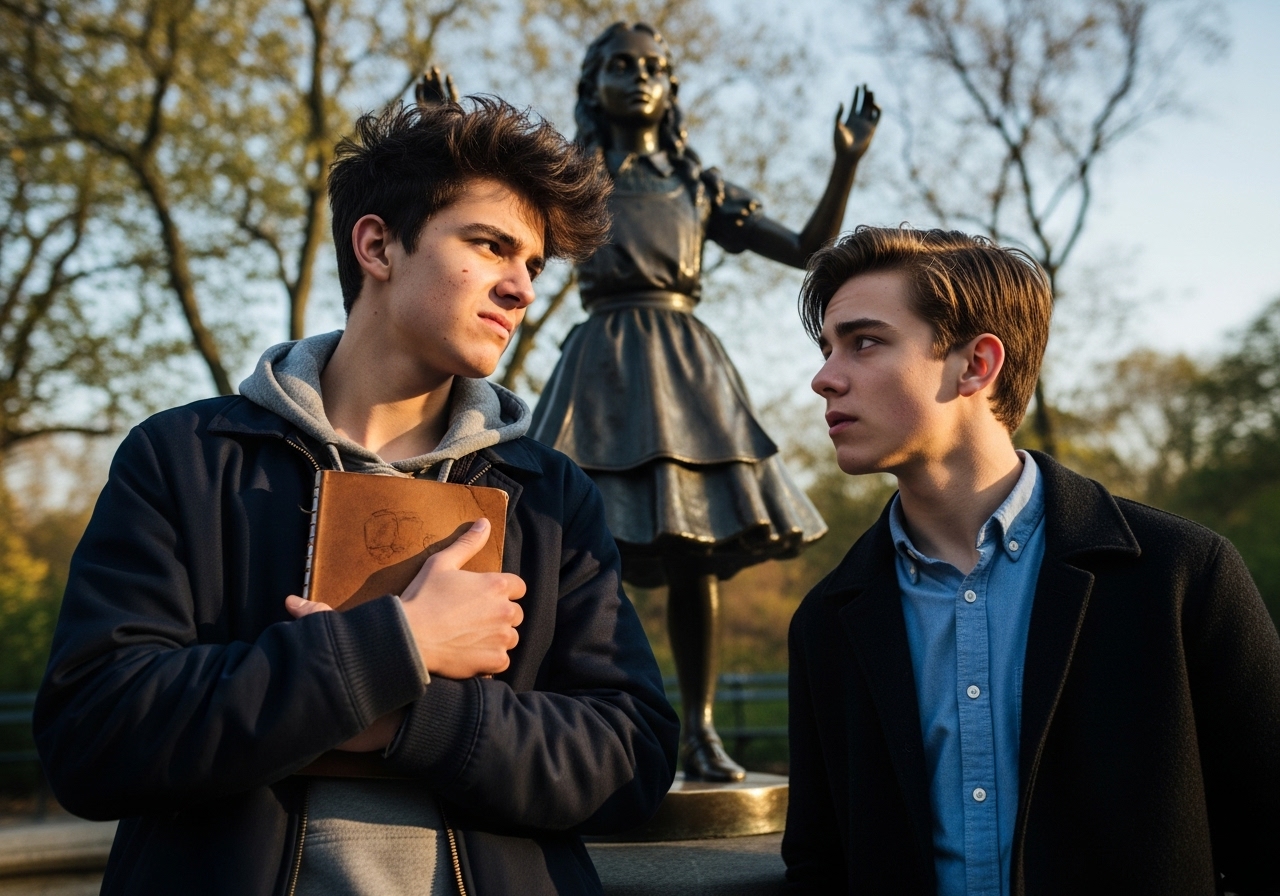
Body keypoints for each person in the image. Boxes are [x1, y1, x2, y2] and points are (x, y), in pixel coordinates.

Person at [34, 98, 679, 896]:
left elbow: (631, 760)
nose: (521, 289)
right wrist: (393, 647)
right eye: (490, 246)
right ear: (376, 245)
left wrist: (409, 715)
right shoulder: (185, 459)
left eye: (535, 266)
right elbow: (96, 734)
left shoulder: (551, 494)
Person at [784, 225, 1280, 894]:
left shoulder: (1181, 575)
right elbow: (820, 863)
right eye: (827, 348)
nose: (824, 378)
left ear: (976, 365)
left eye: (864, 342)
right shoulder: (828, 619)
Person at [525, 21, 880, 782]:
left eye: (655, 66)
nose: (641, 77)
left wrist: (844, 164)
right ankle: (583, 724)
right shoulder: (571, 179)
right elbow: (490, 222)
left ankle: (701, 733)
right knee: (571, 546)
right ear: (596, 85)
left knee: (697, 559)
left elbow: (810, 248)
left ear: (671, 87)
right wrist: (442, 135)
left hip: (685, 366)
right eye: (623, 66)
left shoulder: (698, 184)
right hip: (601, 365)